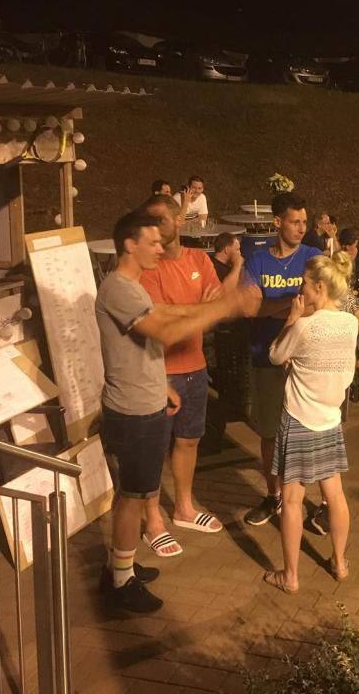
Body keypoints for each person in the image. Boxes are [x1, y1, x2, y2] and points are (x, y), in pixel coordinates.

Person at [96, 211, 258, 612]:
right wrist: (224, 307)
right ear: (129, 244)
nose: (160, 248)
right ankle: (120, 583)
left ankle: (121, 567)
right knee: (133, 496)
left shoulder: (130, 288)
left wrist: (161, 383)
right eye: (152, 242)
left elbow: (166, 316)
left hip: (146, 396)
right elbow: (166, 331)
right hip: (133, 408)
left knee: (133, 492)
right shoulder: (119, 288)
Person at [263, 252, 358, 593]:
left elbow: (276, 355)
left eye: (304, 282)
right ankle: (340, 562)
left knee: (292, 499)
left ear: (319, 287)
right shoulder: (350, 322)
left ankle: (290, 576)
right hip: (330, 417)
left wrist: (291, 319)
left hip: (300, 417)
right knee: (335, 495)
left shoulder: (305, 325)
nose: (300, 288)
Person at [137, 195, 225, 558]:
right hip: (160, 373)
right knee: (154, 449)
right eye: (150, 222)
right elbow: (160, 319)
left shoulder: (199, 259)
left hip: (195, 368)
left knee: (189, 440)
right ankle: (152, 521)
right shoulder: (148, 268)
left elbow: (216, 307)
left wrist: (196, 311)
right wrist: (199, 309)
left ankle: (184, 508)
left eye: (161, 220)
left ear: (179, 220)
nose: (155, 229)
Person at [242, 192, 323, 526]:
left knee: (309, 432)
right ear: (277, 222)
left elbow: (320, 304)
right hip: (266, 356)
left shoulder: (313, 257)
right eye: (294, 222)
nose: (301, 228)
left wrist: (274, 308)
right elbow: (249, 308)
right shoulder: (258, 259)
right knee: (270, 432)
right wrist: (292, 304)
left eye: (304, 222)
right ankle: (273, 495)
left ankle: (316, 501)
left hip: (304, 362)